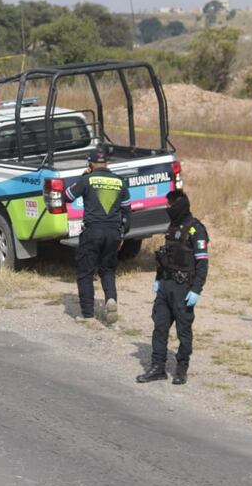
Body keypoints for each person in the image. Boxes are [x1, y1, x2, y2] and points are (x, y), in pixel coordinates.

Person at [137, 189, 209, 386]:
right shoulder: (172, 227)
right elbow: (165, 257)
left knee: (183, 332)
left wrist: (196, 290)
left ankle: (181, 369)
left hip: (183, 289)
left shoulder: (195, 229)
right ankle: (157, 368)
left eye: (169, 205)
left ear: (178, 206)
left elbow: (202, 263)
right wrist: (158, 279)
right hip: (165, 286)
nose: (166, 208)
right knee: (159, 327)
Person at [64, 146, 131, 324]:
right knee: (108, 270)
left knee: (85, 272)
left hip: (92, 231)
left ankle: (88, 315)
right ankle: (111, 299)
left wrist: (82, 176)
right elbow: (127, 210)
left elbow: (67, 196)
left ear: (91, 164)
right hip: (113, 232)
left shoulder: (87, 179)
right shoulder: (120, 181)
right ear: (106, 162)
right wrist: (122, 233)